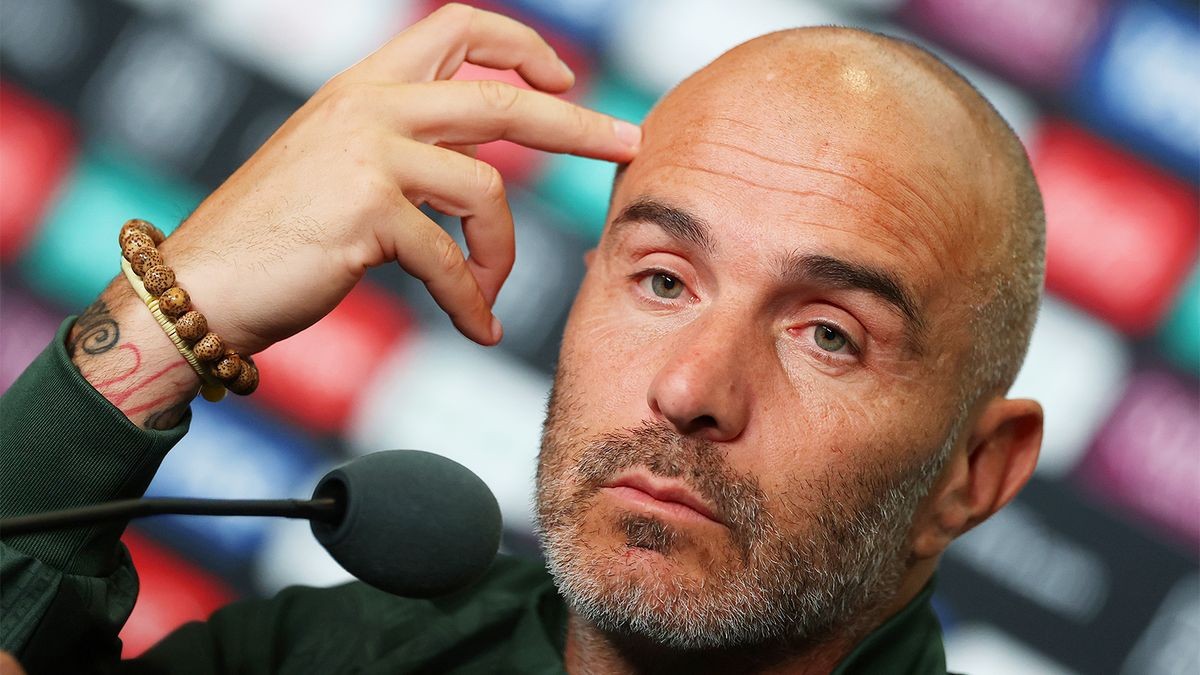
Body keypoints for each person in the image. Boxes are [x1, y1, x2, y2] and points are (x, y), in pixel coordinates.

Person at [0, 4, 1046, 673]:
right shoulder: (327, 655)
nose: (691, 388)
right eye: (664, 279)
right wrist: (177, 306)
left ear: (977, 472)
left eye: (828, 335)